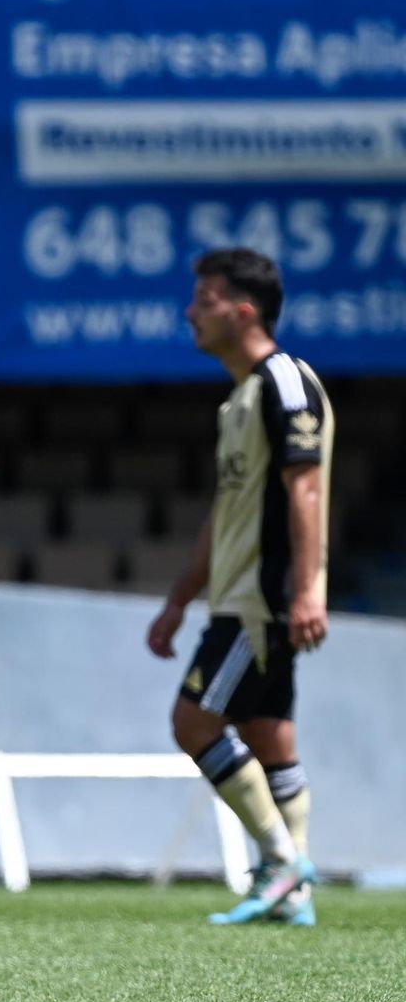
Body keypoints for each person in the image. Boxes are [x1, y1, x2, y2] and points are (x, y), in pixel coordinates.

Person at [146, 248, 332, 926]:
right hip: (239, 596)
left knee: (193, 722)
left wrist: (307, 588)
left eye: (204, 299)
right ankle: (296, 896)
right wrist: (178, 599)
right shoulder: (241, 401)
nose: (190, 312)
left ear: (242, 310)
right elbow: (226, 514)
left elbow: (305, 486)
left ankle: (283, 865)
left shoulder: (286, 381)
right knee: (269, 735)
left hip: (261, 599)